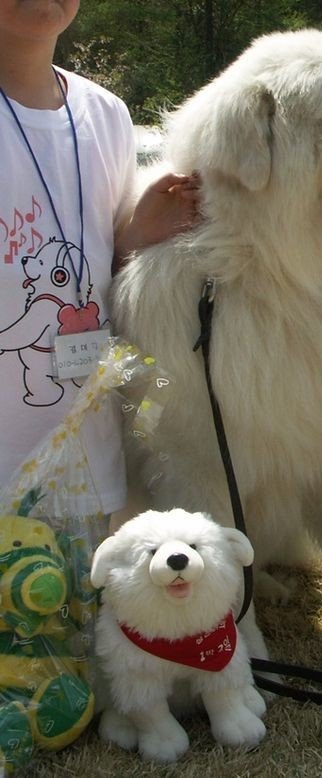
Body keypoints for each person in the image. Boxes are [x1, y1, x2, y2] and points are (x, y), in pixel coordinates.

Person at [0, 1, 198, 513]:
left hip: (87, 454)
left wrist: (140, 234)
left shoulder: (105, 115)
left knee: (73, 592)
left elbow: (100, 274)